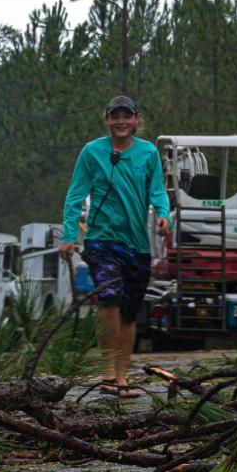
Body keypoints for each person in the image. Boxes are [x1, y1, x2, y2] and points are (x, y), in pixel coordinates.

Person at [59, 96, 170, 398]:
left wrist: (163, 215)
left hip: (137, 244)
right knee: (109, 298)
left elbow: (158, 191)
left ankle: (122, 377)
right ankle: (107, 373)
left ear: (137, 120)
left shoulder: (148, 153)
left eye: (127, 116)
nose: (121, 121)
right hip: (102, 239)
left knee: (130, 312)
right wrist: (69, 234)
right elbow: (75, 196)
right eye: (115, 116)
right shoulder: (92, 152)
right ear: (107, 120)